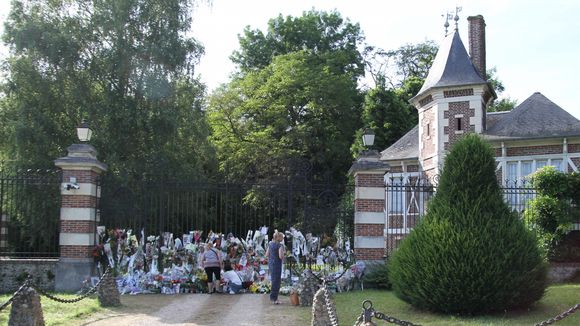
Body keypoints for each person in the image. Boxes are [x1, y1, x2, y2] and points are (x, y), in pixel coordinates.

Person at [266, 230, 285, 304]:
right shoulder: (280, 245)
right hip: (277, 264)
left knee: (273, 280)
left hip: (271, 263)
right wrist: (284, 255)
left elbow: (267, 254)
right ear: (279, 238)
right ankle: (274, 299)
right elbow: (280, 256)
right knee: (276, 281)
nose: (283, 239)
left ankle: (273, 297)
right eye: (282, 237)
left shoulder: (270, 244)